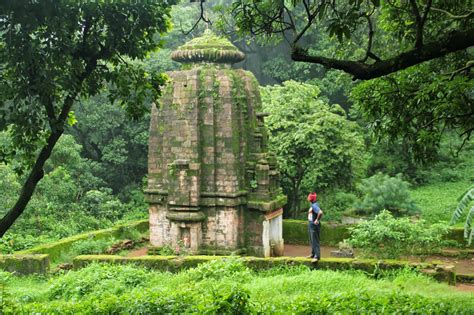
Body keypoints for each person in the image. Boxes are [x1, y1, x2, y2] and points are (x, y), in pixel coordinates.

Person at [307, 192, 323, 262]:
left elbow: (320, 212)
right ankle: (313, 254)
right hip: (311, 224)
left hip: (314, 225)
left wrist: (317, 220)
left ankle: (317, 256)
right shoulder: (313, 204)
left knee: (315, 240)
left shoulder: (314, 206)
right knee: (312, 240)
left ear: (311, 199)